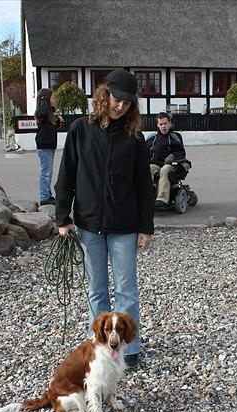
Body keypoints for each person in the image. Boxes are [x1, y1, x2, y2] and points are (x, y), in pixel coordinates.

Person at [54, 68, 154, 368]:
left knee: (126, 291)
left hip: (124, 225)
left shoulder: (134, 136)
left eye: (126, 102)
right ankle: (99, 348)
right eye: (116, 99)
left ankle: (130, 349)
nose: (120, 106)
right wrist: (63, 217)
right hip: (89, 224)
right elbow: (66, 174)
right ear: (104, 94)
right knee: (96, 290)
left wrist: (145, 226)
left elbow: (143, 185)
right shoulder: (80, 129)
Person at [146, 112, 186, 208]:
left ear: (169, 123)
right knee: (147, 169)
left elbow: (182, 152)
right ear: (157, 125)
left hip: (171, 164)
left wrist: (172, 156)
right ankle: (147, 197)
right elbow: (144, 152)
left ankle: (162, 200)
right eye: (161, 124)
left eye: (165, 123)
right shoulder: (152, 138)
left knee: (164, 170)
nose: (163, 126)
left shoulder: (174, 136)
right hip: (155, 164)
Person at [34, 88, 61, 206]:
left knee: (48, 172)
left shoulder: (48, 113)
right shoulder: (42, 111)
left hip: (49, 146)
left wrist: (58, 121)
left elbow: (52, 127)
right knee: (45, 172)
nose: (54, 99)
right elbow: (42, 112)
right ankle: (44, 197)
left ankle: (47, 195)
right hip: (44, 146)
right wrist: (44, 99)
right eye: (52, 97)